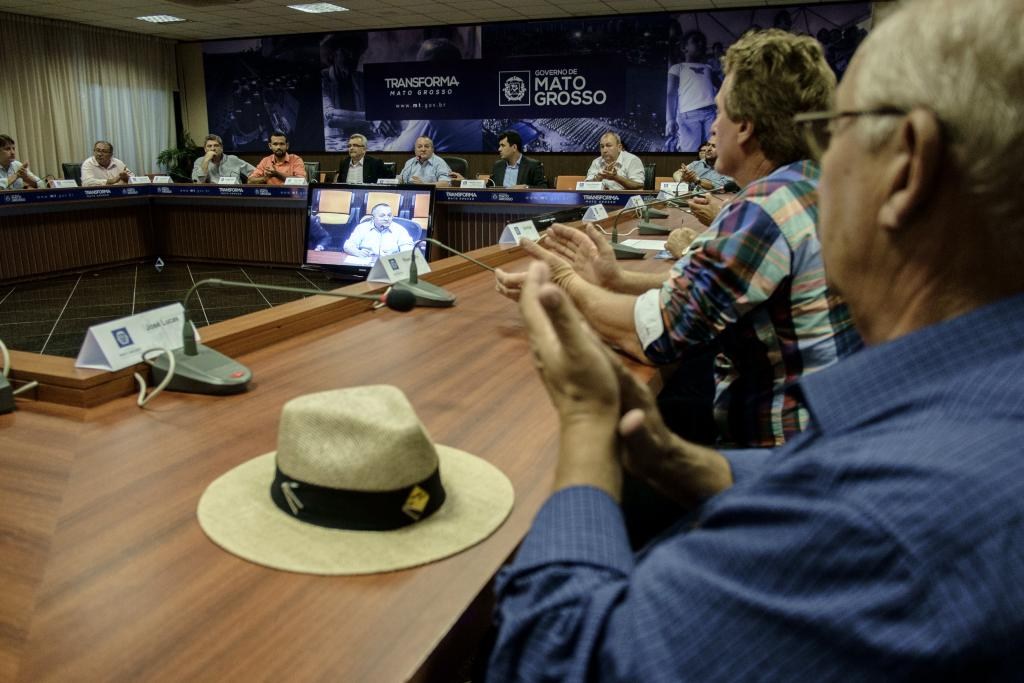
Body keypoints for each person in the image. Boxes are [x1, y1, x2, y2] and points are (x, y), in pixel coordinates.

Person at [488, 0, 1024, 678]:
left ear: (906, 170)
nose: (818, 167)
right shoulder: (979, 400)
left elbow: (559, 659)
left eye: (835, 133)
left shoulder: (874, 521)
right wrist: (692, 465)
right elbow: (846, 458)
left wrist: (589, 423)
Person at [498, 30, 860, 448]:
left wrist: (563, 283)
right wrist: (615, 280)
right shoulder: (814, 187)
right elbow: (722, 290)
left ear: (744, 127)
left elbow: (651, 336)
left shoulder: (765, 208)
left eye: (718, 113)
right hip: (827, 431)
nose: (712, 125)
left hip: (784, 456)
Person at [665, 30, 717, 152]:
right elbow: (671, 94)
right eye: (695, 41)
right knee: (690, 151)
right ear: (684, 48)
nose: (700, 44)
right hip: (688, 116)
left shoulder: (708, 68)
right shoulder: (677, 68)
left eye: (702, 42)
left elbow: (721, 87)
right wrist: (670, 119)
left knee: (712, 151)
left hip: (710, 114)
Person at [343, 202, 414, 257]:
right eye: (382, 216)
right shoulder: (362, 228)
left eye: (389, 215)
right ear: (373, 218)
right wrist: (357, 252)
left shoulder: (400, 230)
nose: (386, 219)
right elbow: (348, 246)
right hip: (367, 262)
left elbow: (408, 249)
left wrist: (398, 256)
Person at [672, 139, 739, 191]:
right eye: (708, 145)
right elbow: (677, 173)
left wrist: (697, 180)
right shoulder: (697, 164)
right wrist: (684, 182)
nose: (708, 149)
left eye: (714, 146)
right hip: (691, 200)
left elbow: (718, 187)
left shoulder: (731, 169)